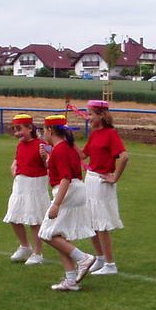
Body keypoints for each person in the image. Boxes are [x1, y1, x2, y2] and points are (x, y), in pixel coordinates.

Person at [38, 114, 96, 291]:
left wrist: (56, 204)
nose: (43, 133)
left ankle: (83, 258)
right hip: (75, 190)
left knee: (47, 234)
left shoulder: (60, 149)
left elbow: (65, 178)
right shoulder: (67, 147)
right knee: (60, 236)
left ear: (50, 130)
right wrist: (46, 159)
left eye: (44, 129)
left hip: (68, 191)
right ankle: (71, 280)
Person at [81, 100, 129, 275]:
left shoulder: (110, 134)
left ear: (101, 115)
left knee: (101, 223)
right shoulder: (94, 134)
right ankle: (100, 258)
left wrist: (115, 177)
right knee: (91, 221)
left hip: (101, 183)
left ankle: (110, 264)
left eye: (91, 114)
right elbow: (83, 155)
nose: (88, 118)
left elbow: (124, 156)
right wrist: (64, 142)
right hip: (90, 180)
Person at [2, 113, 50, 266]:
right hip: (20, 185)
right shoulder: (20, 144)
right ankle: (24, 246)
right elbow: (17, 160)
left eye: (19, 129)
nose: (17, 133)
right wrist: (14, 165)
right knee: (14, 216)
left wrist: (44, 157)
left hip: (35, 185)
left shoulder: (42, 144)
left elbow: (49, 165)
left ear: (29, 128)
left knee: (34, 220)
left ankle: (37, 253)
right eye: (15, 129)